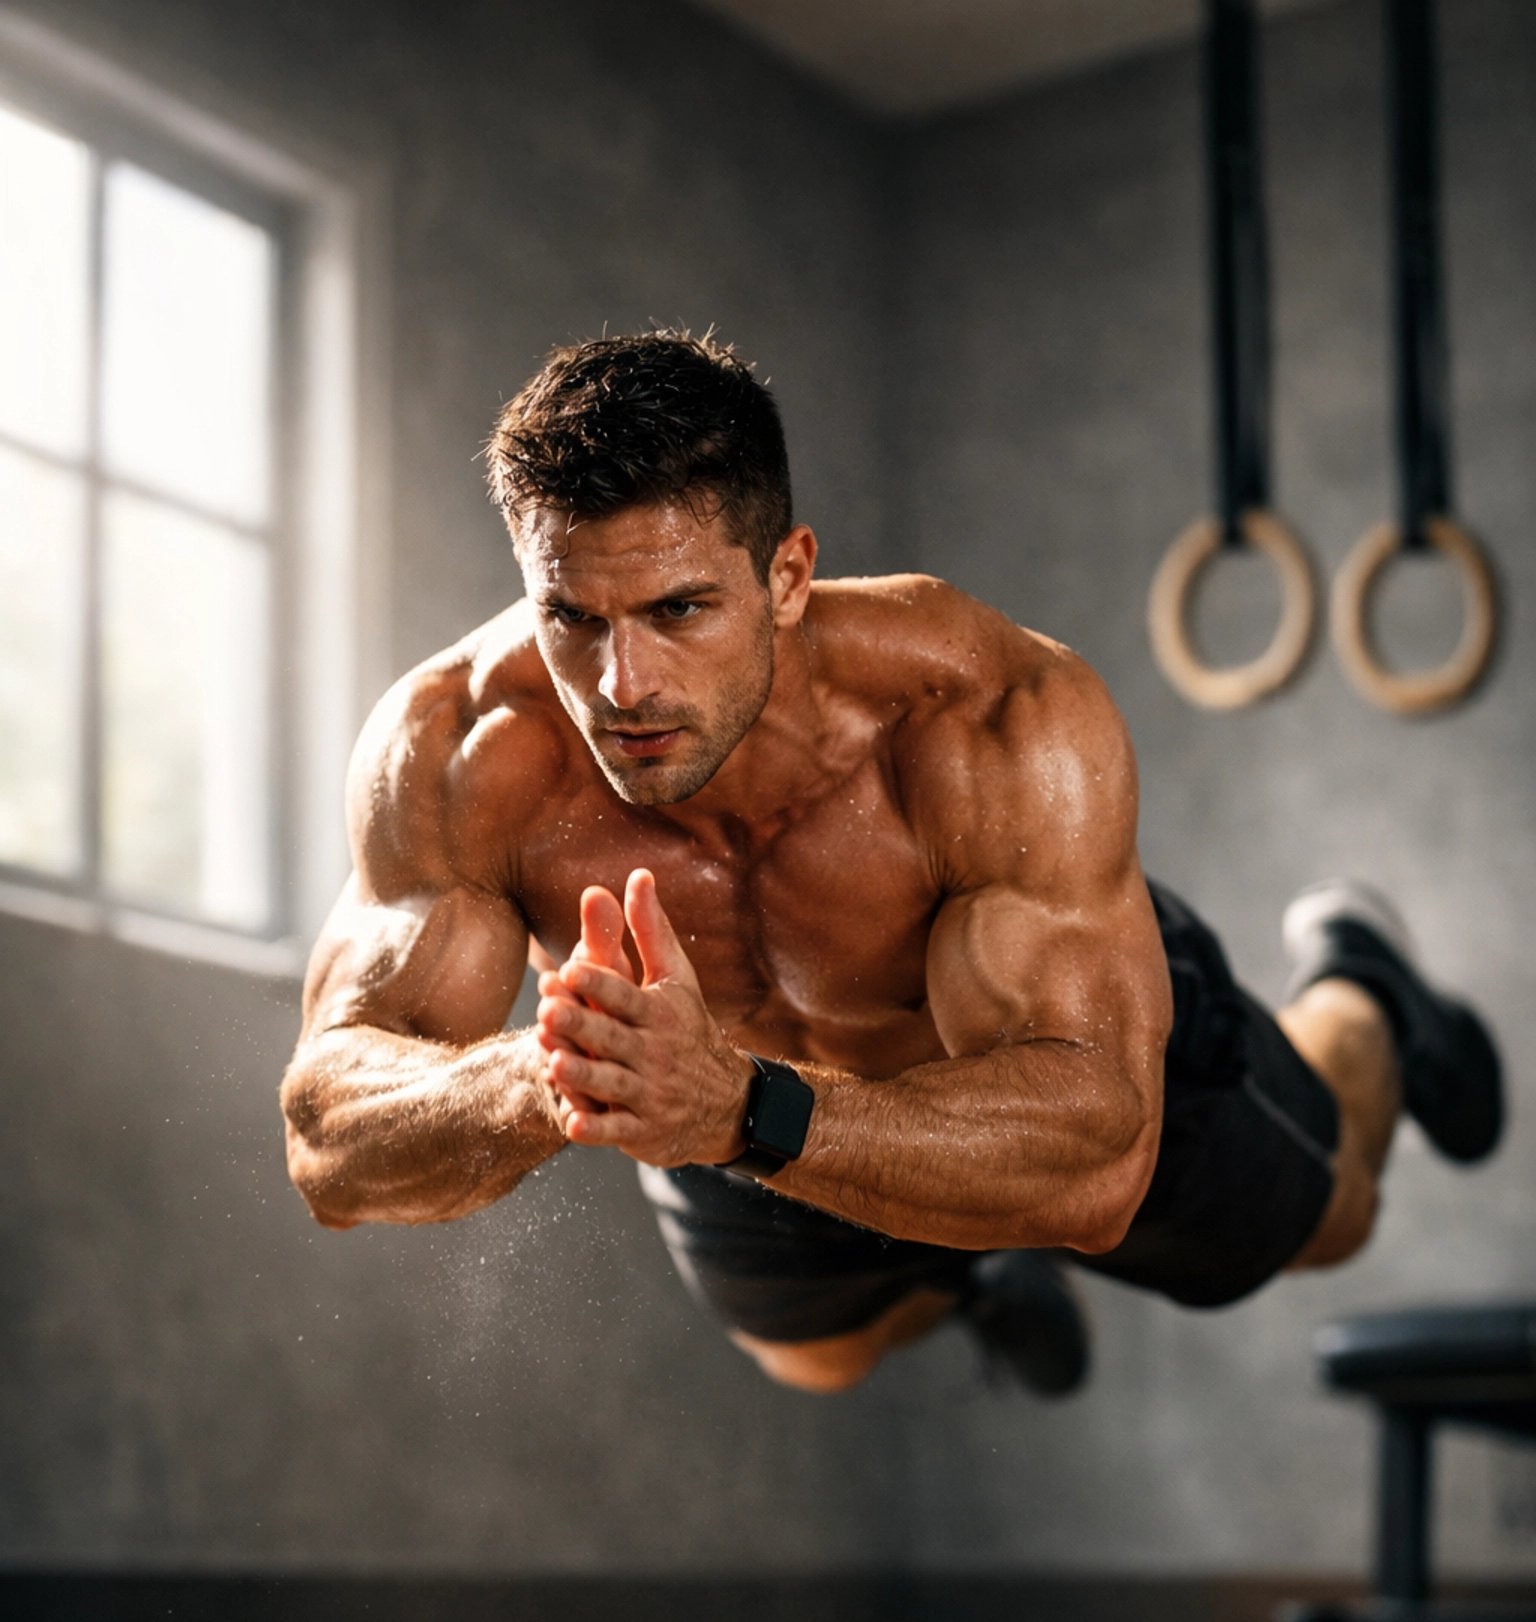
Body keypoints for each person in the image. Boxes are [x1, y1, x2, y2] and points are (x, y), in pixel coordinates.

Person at [281, 331, 1503, 1397]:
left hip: (1036, 1069)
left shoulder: (982, 711)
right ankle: (971, 1279)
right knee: (812, 1354)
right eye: (572, 617)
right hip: (730, 1101)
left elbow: (1101, 1169)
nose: (623, 685)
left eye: (681, 611)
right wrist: (553, 1074)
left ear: (790, 576)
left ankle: (1364, 995)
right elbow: (327, 1138)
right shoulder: (460, 748)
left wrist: (740, 1106)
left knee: (1334, 1218)